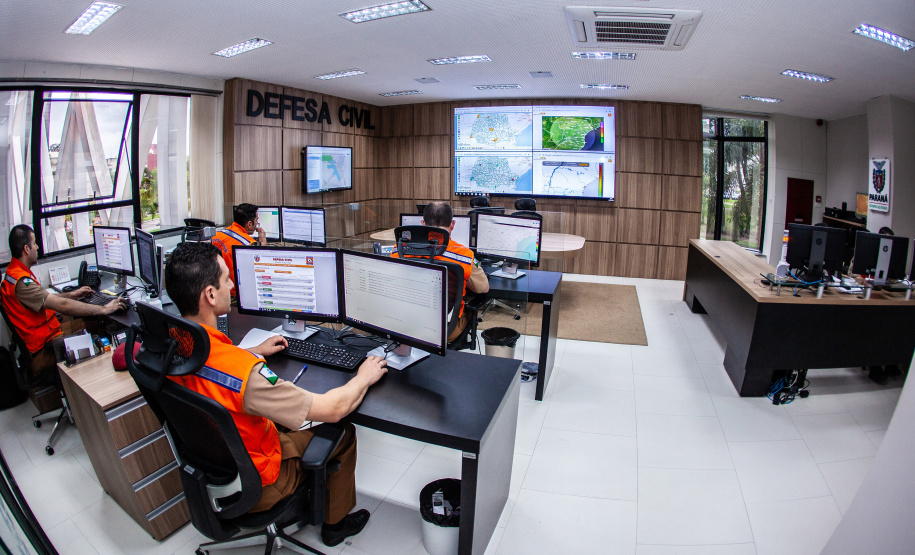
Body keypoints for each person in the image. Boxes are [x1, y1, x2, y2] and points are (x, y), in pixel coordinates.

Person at [163, 242, 388, 547]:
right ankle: (336, 526)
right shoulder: (246, 373)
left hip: (214, 469)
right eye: (227, 279)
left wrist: (250, 351)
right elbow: (334, 408)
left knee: (289, 421)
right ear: (210, 295)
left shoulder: (171, 346)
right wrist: (363, 377)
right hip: (259, 484)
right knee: (342, 431)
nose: (232, 285)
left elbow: (213, 368)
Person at [1, 225, 126, 377]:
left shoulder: (14, 274)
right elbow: (62, 306)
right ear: (27, 249)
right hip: (44, 350)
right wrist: (104, 309)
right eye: (35, 244)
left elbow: (48, 300)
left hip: (47, 337)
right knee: (100, 336)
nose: (38, 247)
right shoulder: (23, 283)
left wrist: (73, 294)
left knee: (95, 324)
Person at [393, 201, 489, 343]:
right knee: (469, 309)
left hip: (405, 324)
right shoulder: (464, 255)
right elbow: (482, 288)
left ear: (423, 223)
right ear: (453, 224)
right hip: (444, 330)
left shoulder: (399, 249)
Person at [211, 203, 267, 296]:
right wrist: (263, 244)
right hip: (234, 293)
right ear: (249, 224)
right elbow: (262, 269)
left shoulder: (217, 234)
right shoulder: (249, 244)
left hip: (216, 289)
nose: (257, 223)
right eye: (256, 220)